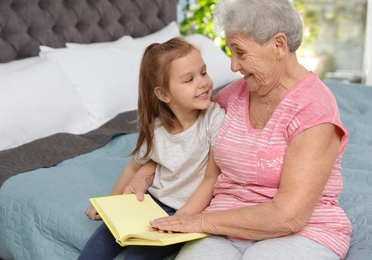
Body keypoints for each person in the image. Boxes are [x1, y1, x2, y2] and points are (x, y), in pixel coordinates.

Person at [149, 0, 352, 259]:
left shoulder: (315, 109)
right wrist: (143, 172)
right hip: (223, 228)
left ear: (279, 45)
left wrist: (199, 222)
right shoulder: (229, 98)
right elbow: (184, 146)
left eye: (241, 53)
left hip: (303, 231)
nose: (234, 66)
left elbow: (289, 216)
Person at [78, 37, 225, 260]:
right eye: (189, 79)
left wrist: (181, 220)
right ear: (164, 94)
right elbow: (132, 168)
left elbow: (210, 179)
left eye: (203, 73)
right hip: (150, 202)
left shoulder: (214, 119)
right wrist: (110, 203)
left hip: (184, 211)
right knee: (98, 246)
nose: (203, 82)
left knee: (137, 257)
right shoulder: (158, 129)